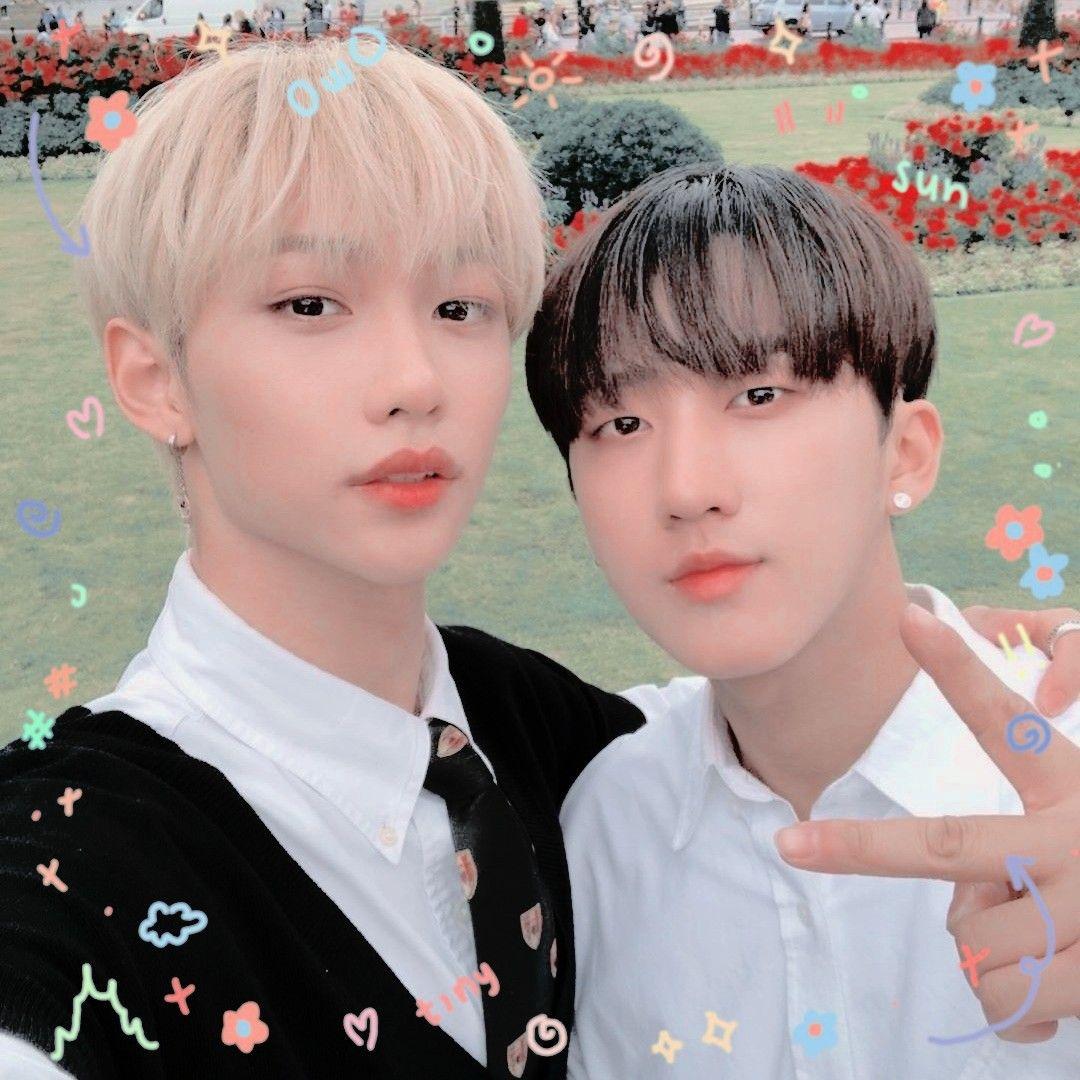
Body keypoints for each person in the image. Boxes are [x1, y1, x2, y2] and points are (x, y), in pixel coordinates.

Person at [0, 37, 645, 1079]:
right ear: (155, 379)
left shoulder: (552, 736)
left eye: (460, 307)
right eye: (310, 304)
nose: (415, 380)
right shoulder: (70, 868)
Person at [524, 162, 1080, 1078]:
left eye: (759, 395)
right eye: (620, 424)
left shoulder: (1062, 761)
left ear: (906, 453)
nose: (687, 488)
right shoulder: (603, 831)